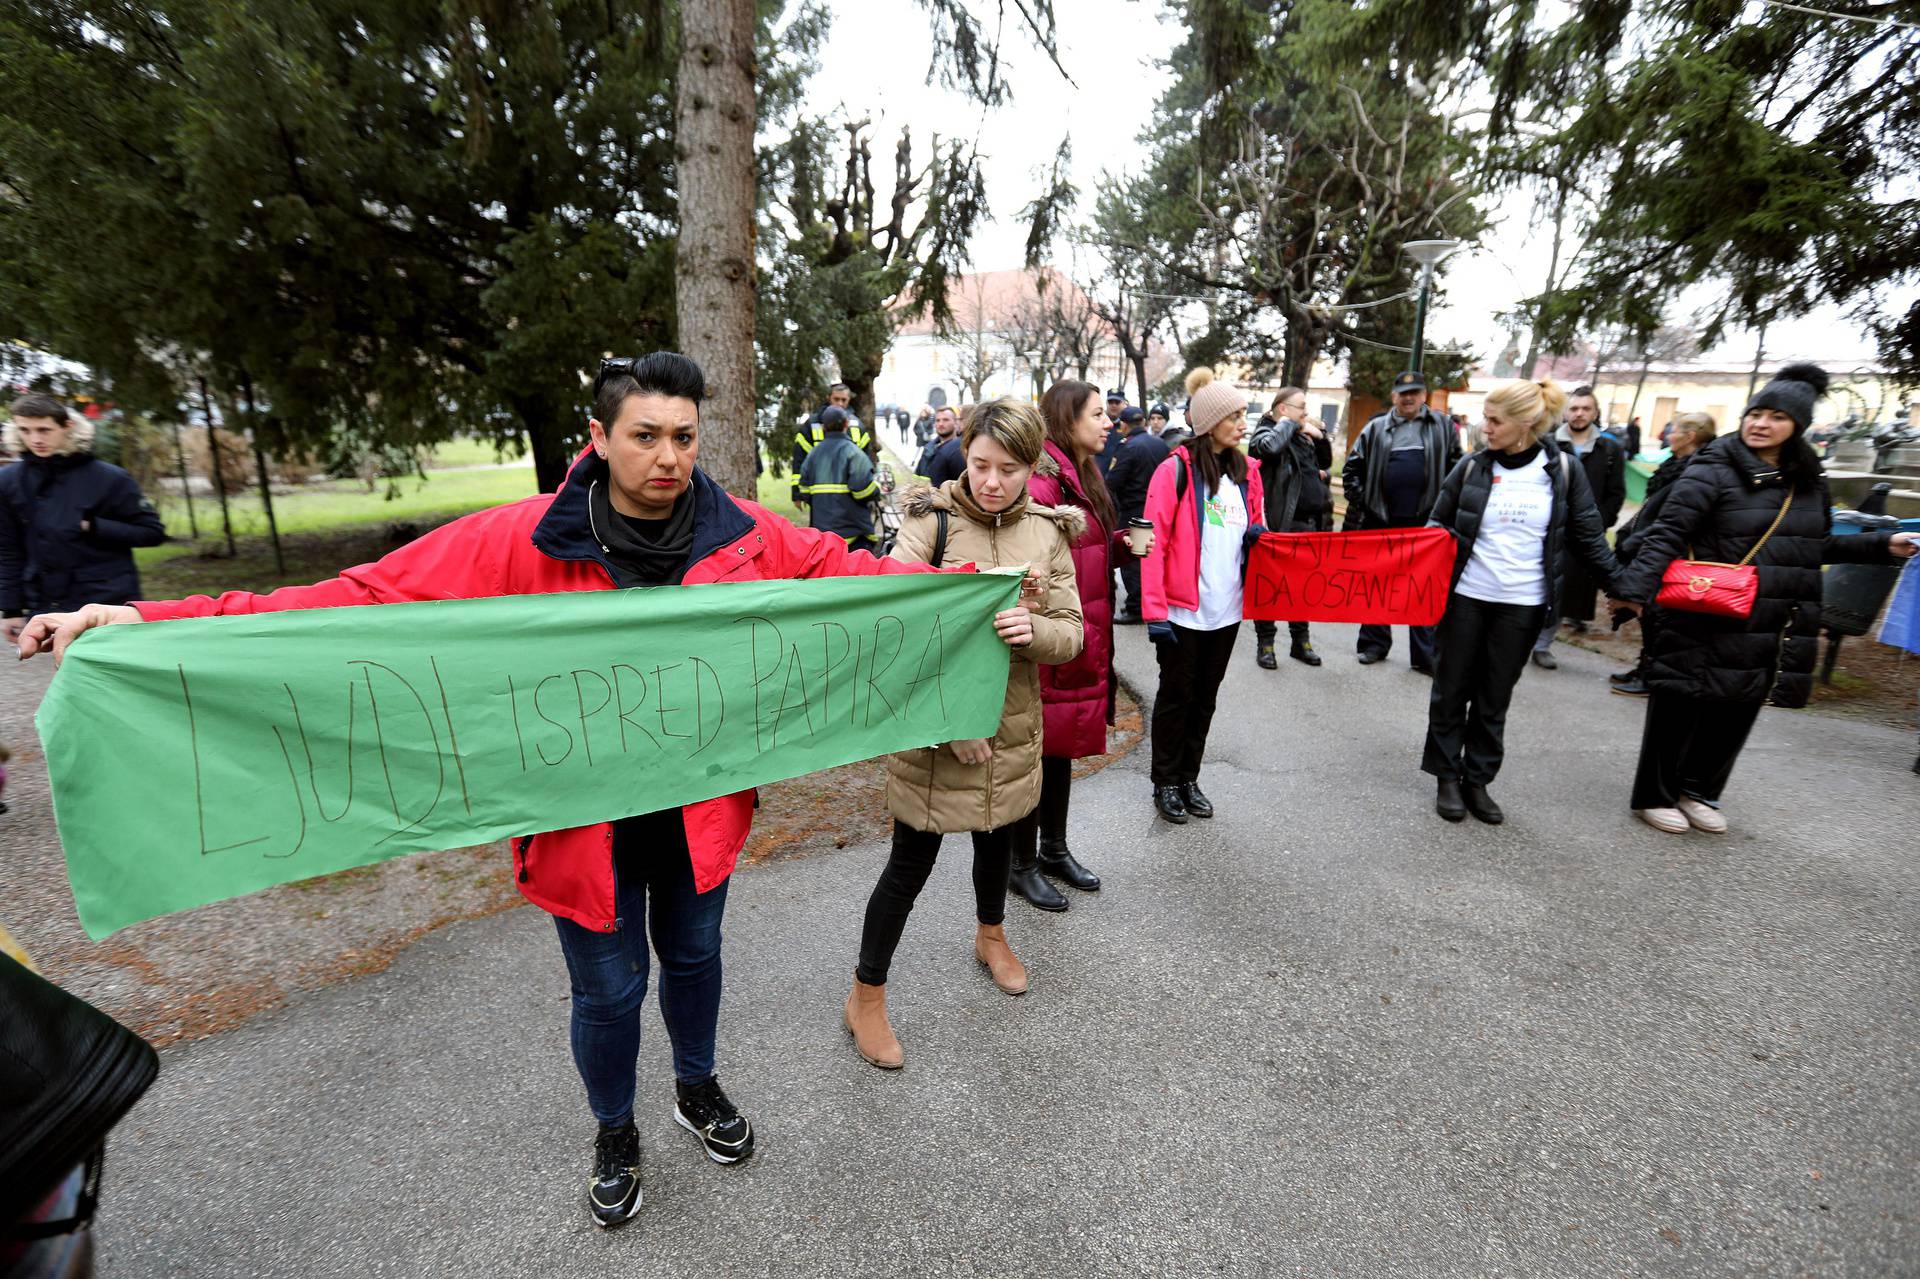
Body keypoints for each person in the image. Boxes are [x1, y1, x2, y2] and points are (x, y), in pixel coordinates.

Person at [17, 352, 950, 1231]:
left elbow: (856, 579)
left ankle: (696, 1087)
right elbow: (359, 597)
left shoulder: (744, 533)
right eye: (645, 435)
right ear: (599, 434)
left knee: (697, 959)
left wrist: (968, 598)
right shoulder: (522, 537)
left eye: (684, 437)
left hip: (700, 817)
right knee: (610, 991)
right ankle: (615, 1129)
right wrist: (144, 619)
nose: (668, 457)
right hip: (584, 832)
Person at [845, 398, 1084, 1069]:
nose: (990, 481)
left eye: (1008, 469)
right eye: (980, 464)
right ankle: (866, 992)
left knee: (998, 837)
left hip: (1009, 730)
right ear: (965, 455)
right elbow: (892, 633)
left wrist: (1035, 632)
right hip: (934, 734)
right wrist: (951, 721)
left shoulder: (1046, 531)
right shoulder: (931, 523)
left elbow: (1072, 632)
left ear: (1031, 468)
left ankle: (991, 935)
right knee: (908, 868)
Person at [1608, 363, 1918, 834]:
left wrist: (1879, 546)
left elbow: (1810, 546)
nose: (1760, 423)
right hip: (1703, 607)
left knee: (1734, 707)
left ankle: (1698, 792)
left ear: (1798, 426)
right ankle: (1655, 794)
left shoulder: (1809, 481)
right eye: (1756, 412)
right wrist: (1631, 593)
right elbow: (1667, 533)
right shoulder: (1712, 467)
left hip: (1767, 613)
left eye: (1775, 416)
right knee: (1681, 701)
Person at [1422, 379, 1619, 824]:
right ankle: (1446, 777)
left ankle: (1478, 781)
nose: (1484, 428)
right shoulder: (1471, 468)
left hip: (1523, 604)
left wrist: (1623, 588)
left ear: (1526, 422)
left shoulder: (1564, 471)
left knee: (1494, 697)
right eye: (1485, 418)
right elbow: (1436, 525)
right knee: (1451, 691)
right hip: (1467, 598)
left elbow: (1590, 537)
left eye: (1495, 420)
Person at [1011, 380, 1130, 911]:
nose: (1110, 423)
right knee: (1034, 751)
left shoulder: (1082, 474)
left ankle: (1054, 849)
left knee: (1059, 750)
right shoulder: (1044, 482)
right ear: (1067, 419)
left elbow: (1084, 554)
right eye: (1098, 414)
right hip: (1049, 637)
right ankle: (1021, 864)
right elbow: (1034, 563)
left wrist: (1122, 546)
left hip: (1078, 632)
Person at [1141, 369, 1265, 824]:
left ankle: (1190, 777)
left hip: (1226, 611)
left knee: (1205, 698)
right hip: (1182, 612)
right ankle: (1166, 781)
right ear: (1209, 421)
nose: (1241, 423)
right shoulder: (1174, 471)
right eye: (1234, 415)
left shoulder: (1246, 473)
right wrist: (1154, 612)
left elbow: (1256, 526)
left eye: (1242, 415)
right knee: (1176, 697)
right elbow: (1154, 544)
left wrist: (1258, 536)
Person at [2, 394, 166, 644]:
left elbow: (152, 532)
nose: (35, 439)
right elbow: (7, 549)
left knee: (113, 675)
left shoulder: (111, 478)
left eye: (44, 430)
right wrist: (11, 609)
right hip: (46, 600)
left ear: (67, 427)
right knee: (69, 674)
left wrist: (95, 526)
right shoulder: (8, 481)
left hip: (107, 600)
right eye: (25, 430)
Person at [1343, 370, 1461, 672]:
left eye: (1415, 392)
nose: (1409, 398)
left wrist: (1445, 512)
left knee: (1421, 588)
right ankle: (1373, 644)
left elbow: (1455, 469)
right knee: (1376, 586)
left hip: (1425, 523)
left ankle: (1425, 656)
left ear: (1424, 395)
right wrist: (1365, 503)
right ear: (1394, 396)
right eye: (1403, 393)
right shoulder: (1375, 428)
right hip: (1380, 520)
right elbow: (1352, 470)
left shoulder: (1443, 427)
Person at [1608, 411, 1718, 696]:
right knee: (1649, 615)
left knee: (1657, 617)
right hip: (1651, 546)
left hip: (1670, 555)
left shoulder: (1694, 471)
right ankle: (1646, 667)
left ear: (1690, 436)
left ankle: (1651, 675)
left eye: (1673, 430)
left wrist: (1635, 542)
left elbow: (1672, 518)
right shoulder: (1675, 465)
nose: (1668, 435)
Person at [1531, 384, 1625, 669]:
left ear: (1595, 412)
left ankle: (1543, 645)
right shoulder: (1548, 444)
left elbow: (1616, 492)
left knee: (1566, 590)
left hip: (1582, 532)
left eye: (1586, 408)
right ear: (1565, 412)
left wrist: (1599, 522)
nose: (1579, 413)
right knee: (1539, 583)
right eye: (1574, 408)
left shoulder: (1609, 449)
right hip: (1549, 529)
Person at [1246, 387, 1331, 670]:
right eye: (1301, 406)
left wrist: (1320, 436)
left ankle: (1300, 641)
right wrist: (1289, 425)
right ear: (1283, 409)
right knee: (1272, 586)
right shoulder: (1267, 431)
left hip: (1308, 523)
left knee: (1302, 586)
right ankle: (1266, 644)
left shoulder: (1300, 434)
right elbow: (1267, 449)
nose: (1306, 412)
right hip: (1280, 523)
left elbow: (1326, 463)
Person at [1105, 406, 1169, 624]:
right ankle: (1151, 601)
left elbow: (1112, 482)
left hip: (1133, 510)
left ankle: (1135, 607)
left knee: (1132, 558)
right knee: (1152, 557)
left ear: (1123, 425)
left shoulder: (1127, 447)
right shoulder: (1160, 444)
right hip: (1158, 508)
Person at [796, 407, 879, 547]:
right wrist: (877, 491)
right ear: (846, 424)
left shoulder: (812, 455)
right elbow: (863, 491)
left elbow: (804, 490)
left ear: (823, 427)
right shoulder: (854, 453)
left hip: (823, 538)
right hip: (854, 535)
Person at [789, 382, 872, 490]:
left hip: (850, 494)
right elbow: (799, 460)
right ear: (828, 398)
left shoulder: (857, 425)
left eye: (844, 400)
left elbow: (865, 460)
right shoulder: (812, 424)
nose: (840, 404)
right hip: (819, 492)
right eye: (836, 399)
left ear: (849, 400)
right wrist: (797, 493)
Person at [1095, 389, 1127, 480]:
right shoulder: (1097, 424)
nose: (1113, 405)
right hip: (1099, 475)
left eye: (1117, 402)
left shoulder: (1127, 426)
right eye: (1110, 402)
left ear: (1123, 404)